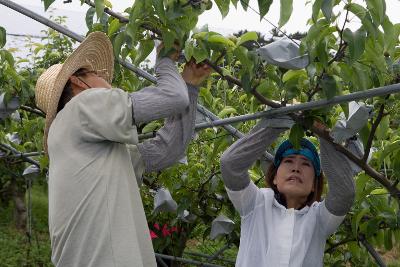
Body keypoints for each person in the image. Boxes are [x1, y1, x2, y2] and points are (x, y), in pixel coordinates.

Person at [34, 32, 211, 267]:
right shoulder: (80, 107)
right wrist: (165, 58)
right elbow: (172, 96)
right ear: (78, 82)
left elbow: (169, 149)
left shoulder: (88, 146)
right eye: (96, 74)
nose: (106, 79)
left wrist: (189, 85)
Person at [220, 116, 356, 267]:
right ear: (275, 178)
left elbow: (344, 193)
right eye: (288, 160)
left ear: (313, 185)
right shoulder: (256, 203)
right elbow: (230, 165)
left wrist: (323, 134)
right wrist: (279, 122)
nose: (296, 168)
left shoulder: (319, 218)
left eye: (306, 164)